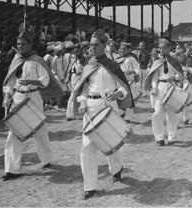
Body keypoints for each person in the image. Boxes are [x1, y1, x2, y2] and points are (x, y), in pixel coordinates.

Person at [68, 29, 134, 200]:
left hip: (108, 105)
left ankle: (116, 169)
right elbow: (84, 87)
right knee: (87, 146)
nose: (92, 48)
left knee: (110, 144)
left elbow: (123, 88)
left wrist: (118, 94)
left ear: (105, 46)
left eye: (96, 45)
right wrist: (82, 101)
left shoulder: (112, 65)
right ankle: (89, 187)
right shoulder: (88, 66)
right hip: (90, 107)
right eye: (90, 45)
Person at [1, 31, 64, 181]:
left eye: (23, 44)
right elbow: (10, 82)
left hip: (34, 98)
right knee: (14, 132)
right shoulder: (16, 60)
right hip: (18, 97)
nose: (20, 46)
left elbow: (46, 80)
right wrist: (6, 96)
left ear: (30, 44)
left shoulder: (37, 60)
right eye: (18, 44)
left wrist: (33, 82)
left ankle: (46, 159)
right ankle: (11, 170)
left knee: (39, 131)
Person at [144, 38, 184, 146]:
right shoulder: (157, 62)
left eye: (164, 48)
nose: (161, 50)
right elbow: (154, 76)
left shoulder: (174, 61)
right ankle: (159, 137)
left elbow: (181, 76)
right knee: (157, 113)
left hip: (171, 87)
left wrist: (174, 77)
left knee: (171, 114)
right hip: (160, 88)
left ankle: (172, 137)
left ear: (169, 48)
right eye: (160, 48)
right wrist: (154, 87)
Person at [65, 43, 87, 121]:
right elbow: (69, 70)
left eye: (78, 51)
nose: (76, 53)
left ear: (81, 51)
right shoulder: (74, 61)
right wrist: (67, 78)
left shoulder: (86, 60)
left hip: (84, 80)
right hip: (75, 80)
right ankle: (70, 115)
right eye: (75, 52)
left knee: (84, 96)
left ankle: (85, 113)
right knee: (72, 96)